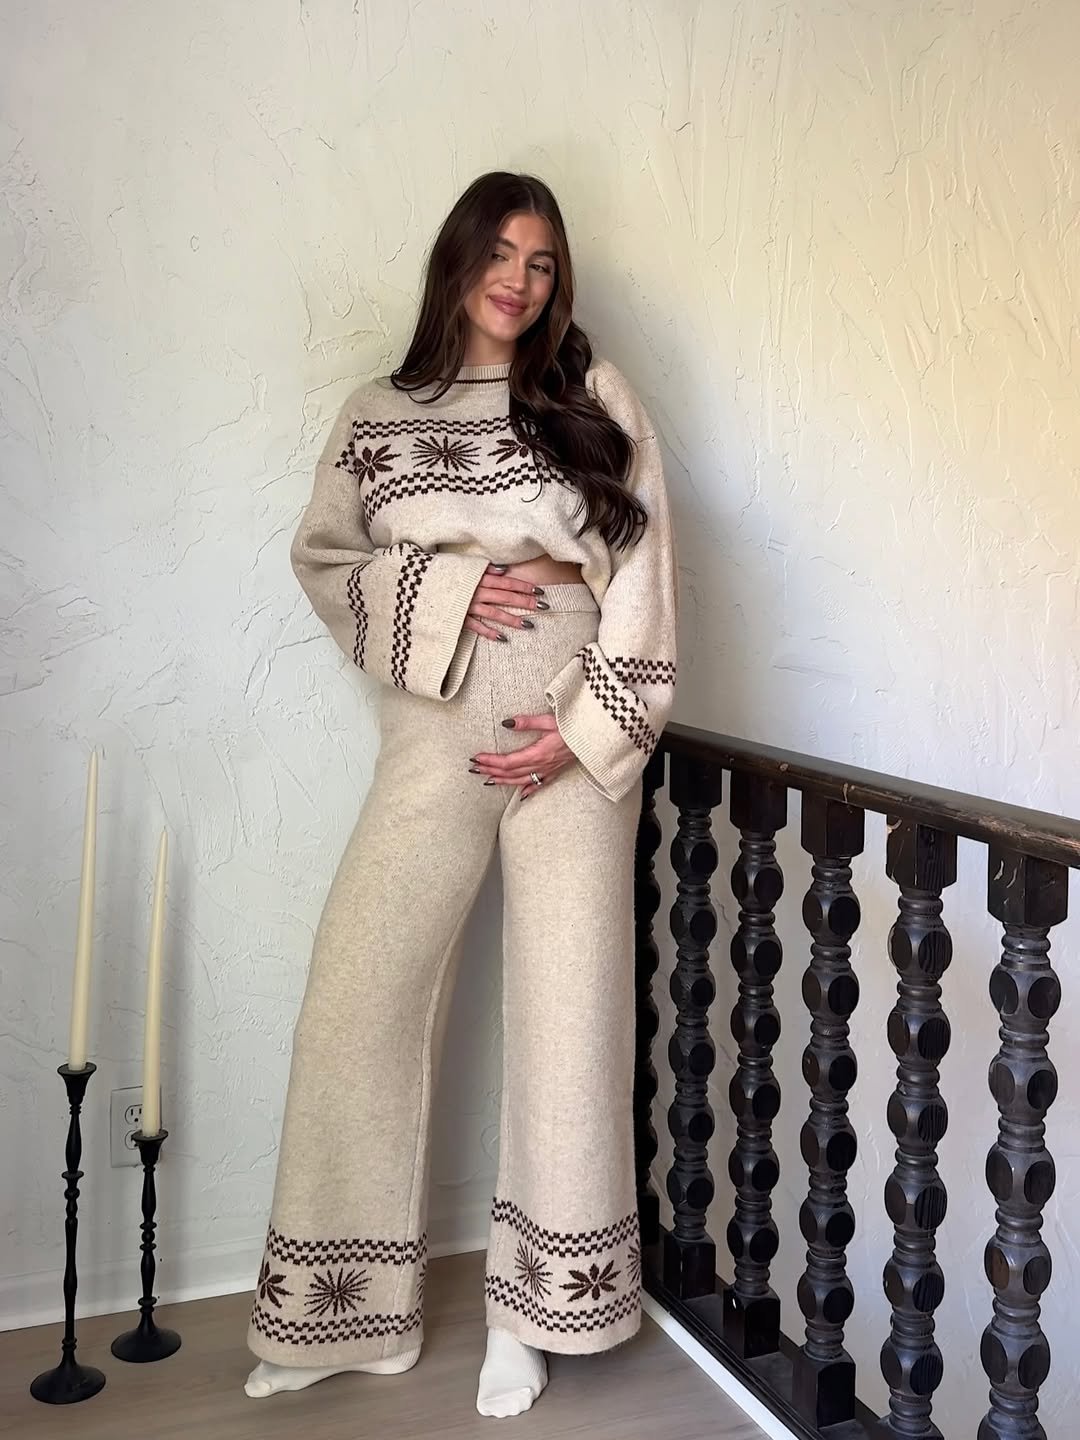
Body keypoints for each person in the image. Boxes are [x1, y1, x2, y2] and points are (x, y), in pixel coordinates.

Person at [244, 170, 678, 1419]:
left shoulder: (593, 397)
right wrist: (443, 594)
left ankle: (532, 1316)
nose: (518, 280)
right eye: (500, 253)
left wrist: (585, 733)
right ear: (458, 258)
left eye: (542, 262)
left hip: (570, 735)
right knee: (357, 995)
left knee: (569, 1013)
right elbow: (324, 560)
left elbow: (648, 570)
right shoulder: (378, 412)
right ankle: (344, 1316)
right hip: (434, 734)